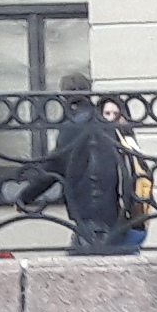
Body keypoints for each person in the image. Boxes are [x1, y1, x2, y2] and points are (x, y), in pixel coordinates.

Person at [38, 68, 145, 253]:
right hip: (114, 213)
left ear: (63, 97)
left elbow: (53, 167)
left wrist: (25, 197)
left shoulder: (70, 127)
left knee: (82, 264)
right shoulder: (107, 124)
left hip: (87, 215)